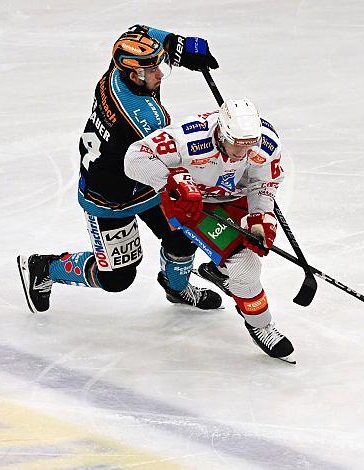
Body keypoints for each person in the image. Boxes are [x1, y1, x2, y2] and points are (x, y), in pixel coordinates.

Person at [17, 24, 222, 314]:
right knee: (117, 279)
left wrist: (178, 45)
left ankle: (175, 287)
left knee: (184, 236)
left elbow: (139, 31)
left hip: (141, 178)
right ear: (134, 73)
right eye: (152, 70)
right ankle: (45, 268)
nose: (160, 74)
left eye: (159, 66)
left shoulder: (118, 70)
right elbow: (174, 159)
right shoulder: (144, 118)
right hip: (110, 195)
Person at [122, 98, 295, 363]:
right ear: (221, 132)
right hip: (195, 205)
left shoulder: (265, 142)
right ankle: (260, 324)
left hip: (233, 198)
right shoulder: (189, 137)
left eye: (248, 145)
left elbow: (264, 183)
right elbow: (134, 158)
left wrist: (259, 218)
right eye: (236, 144)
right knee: (246, 267)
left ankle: (221, 271)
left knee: (252, 252)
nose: (242, 152)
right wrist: (174, 181)